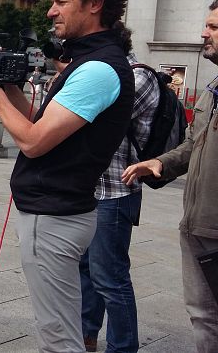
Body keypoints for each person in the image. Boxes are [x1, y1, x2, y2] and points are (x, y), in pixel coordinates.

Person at [0, 0, 134, 352]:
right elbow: (42, 124)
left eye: (61, 2)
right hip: (58, 211)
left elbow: (34, 141)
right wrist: (7, 85)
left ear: (94, 4)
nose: (51, 11)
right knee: (61, 326)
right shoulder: (92, 63)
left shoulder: (99, 70)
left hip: (54, 216)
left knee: (58, 339)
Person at [122, 0, 218, 353]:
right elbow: (194, 142)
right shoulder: (213, 89)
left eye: (213, 28)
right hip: (196, 224)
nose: (203, 33)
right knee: (204, 316)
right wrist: (160, 162)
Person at [79, 26, 159, 353]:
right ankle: (86, 335)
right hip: (93, 190)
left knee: (111, 278)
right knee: (88, 271)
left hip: (116, 192)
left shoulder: (137, 78)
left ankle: (122, 347)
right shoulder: (106, 74)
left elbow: (89, 120)